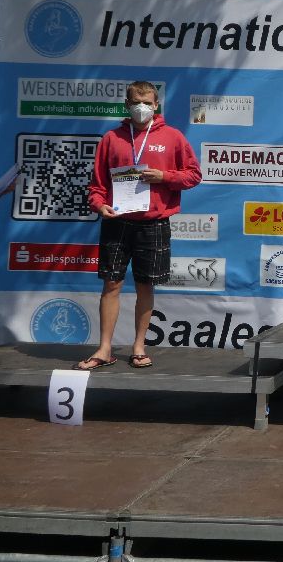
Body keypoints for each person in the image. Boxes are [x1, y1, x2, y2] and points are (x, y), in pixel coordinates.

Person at [74, 81, 201, 370]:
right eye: (136, 102)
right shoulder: (112, 138)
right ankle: (104, 349)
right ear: (127, 105)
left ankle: (139, 347)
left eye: (147, 103)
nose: (141, 108)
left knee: (145, 285)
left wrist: (165, 177)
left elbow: (193, 175)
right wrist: (99, 205)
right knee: (111, 284)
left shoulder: (173, 137)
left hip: (153, 223)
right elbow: (97, 185)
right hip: (117, 221)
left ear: (156, 105)